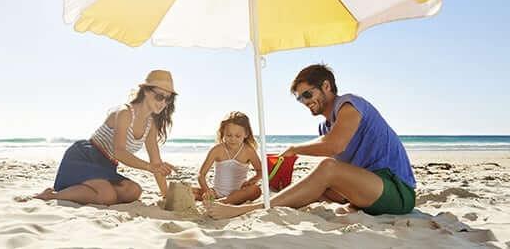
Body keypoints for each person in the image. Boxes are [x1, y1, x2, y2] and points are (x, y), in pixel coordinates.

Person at [207, 64, 416, 219]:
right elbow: (339, 167)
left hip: (397, 191)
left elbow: (334, 146)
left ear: (326, 86)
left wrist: (293, 149)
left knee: (327, 167)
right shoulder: (325, 127)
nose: (305, 102)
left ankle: (247, 210)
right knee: (315, 186)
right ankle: (262, 204)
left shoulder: (349, 105)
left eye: (308, 94)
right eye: (300, 98)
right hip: (369, 191)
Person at [35, 70, 177, 206]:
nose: (163, 103)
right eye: (159, 96)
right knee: (107, 196)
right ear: (146, 91)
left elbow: (156, 162)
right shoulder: (125, 113)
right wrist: (148, 167)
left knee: (134, 191)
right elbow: (119, 152)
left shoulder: (150, 125)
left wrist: (166, 194)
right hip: (84, 156)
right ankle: (52, 195)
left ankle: (88, 190)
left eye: (168, 98)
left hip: (106, 165)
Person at [192, 111, 262, 205]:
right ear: (222, 133)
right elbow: (201, 175)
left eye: (237, 136)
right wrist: (207, 191)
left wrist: (251, 181)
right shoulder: (217, 150)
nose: (233, 139)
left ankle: (222, 202)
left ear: (246, 134)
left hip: (238, 193)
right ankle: (218, 201)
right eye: (229, 135)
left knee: (256, 190)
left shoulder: (248, 151)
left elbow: (261, 171)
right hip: (216, 193)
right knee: (188, 190)